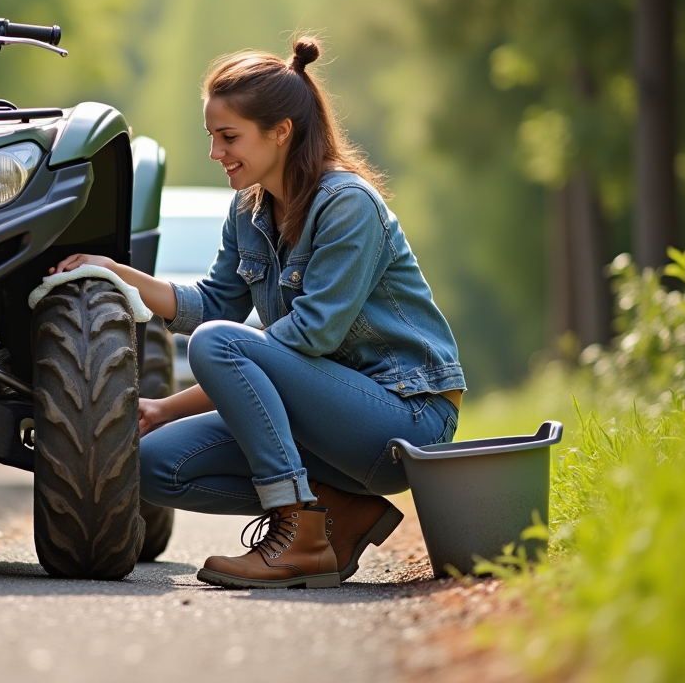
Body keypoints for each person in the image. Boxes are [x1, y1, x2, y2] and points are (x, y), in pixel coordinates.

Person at [50, 37, 465, 589]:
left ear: (281, 132)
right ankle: (339, 510)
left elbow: (306, 336)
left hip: (404, 422)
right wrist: (120, 274)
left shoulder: (347, 205)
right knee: (150, 465)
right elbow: (214, 305)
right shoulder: (248, 211)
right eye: (213, 138)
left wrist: (172, 404)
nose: (216, 153)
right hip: (323, 427)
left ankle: (296, 528)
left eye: (229, 138)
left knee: (218, 343)